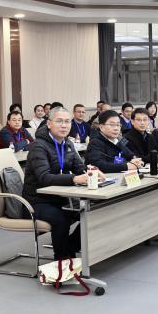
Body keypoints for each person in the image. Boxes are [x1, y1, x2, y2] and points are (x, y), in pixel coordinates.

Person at [23, 106, 103, 260]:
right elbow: (44, 178)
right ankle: (61, 259)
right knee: (61, 218)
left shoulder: (67, 143)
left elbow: (79, 168)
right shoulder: (38, 146)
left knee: (92, 212)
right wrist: (74, 179)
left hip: (60, 198)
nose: (64, 125)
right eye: (59, 121)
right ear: (49, 124)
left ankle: (70, 248)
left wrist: (92, 172)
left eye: (67, 121)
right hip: (37, 201)